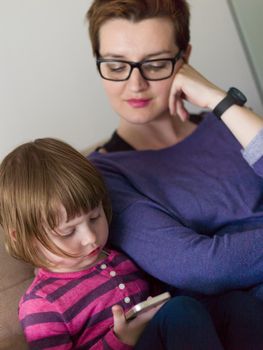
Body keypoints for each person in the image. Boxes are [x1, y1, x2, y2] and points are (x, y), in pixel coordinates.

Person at [85, 0, 263, 348]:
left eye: (155, 63)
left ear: (184, 58)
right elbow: (200, 267)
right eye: (116, 65)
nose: (135, 84)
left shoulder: (229, 122)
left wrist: (218, 100)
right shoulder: (103, 174)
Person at [0, 138, 229, 350]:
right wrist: (120, 340)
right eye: (68, 231)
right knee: (181, 312)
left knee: (232, 305)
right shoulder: (41, 304)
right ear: (24, 238)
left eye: (94, 217)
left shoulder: (118, 257)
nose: (91, 238)